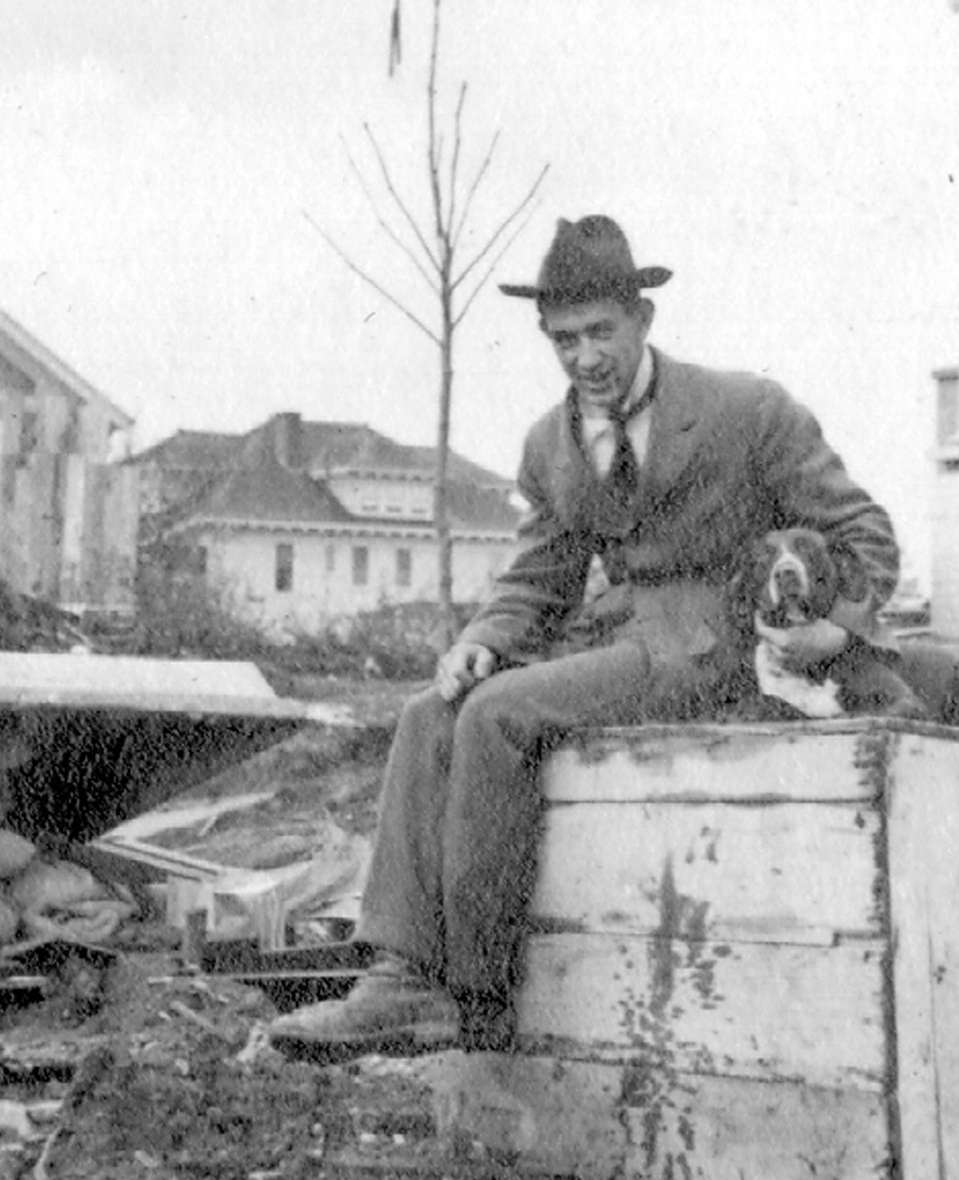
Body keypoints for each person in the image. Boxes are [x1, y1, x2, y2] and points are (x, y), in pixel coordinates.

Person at [269, 214, 899, 1055]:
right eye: (564, 339)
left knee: (496, 717)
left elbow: (865, 531)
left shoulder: (746, 410)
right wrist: (484, 639)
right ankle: (396, 975)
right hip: (629, 640)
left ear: (643, 321)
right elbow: (542, 570)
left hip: (726, 650)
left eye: (601, 331)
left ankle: (473, 995)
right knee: (433, 709)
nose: (585, 357)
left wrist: (835, 635)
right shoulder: (551, 444)